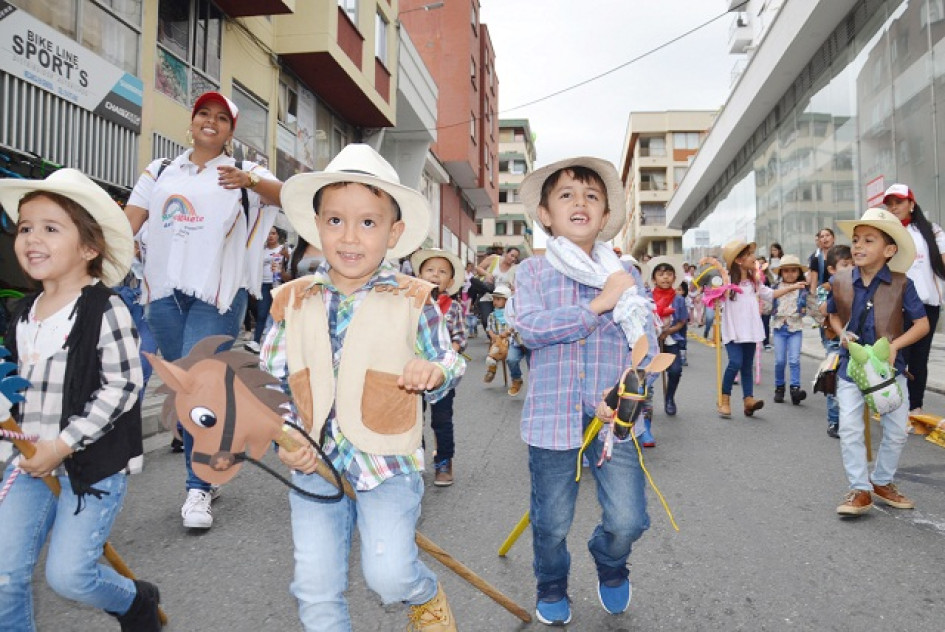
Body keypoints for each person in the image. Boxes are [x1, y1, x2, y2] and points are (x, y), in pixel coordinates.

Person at [261, 144, 464, 631]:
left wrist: (433, 371)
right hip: (313, 467)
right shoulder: (291, 300)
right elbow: (267, 383)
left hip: (387, 463)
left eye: (368, 223)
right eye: (335, 221)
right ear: (316, 227)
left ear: (394, 233)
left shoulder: (415, 299)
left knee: (389, 576)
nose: (350, 237)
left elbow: (447, 357)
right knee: (315, 589)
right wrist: (285, 438)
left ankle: (424, 592)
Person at [0, 170, 161, 631]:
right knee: (4, 573)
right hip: (28, 461)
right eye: (25, 227)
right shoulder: (21, 314)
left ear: (89, 248)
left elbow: (125, 385)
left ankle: (134, 600)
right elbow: (15, 390)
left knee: (69, 576)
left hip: (91, 464)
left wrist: (63, 443)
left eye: (51, 228)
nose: (32, 237)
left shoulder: (103, 308)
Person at [123, 91, 283, 530]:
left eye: (221, 118)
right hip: (163, 294)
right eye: (203, 114)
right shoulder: (159, 170)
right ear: (192, 122)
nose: (210, 122)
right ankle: (215, 450)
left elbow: (288, 197)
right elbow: (129, 222)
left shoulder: (244, 171)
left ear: (231, 131)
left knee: (199, 387)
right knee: (184, 388)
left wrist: (250, 184)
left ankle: (197, 487)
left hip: (218, 295)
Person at [509, 156, 656, 626]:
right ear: (546, 214)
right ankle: (551, 584)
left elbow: (645, 348)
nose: (581, 203)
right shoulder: (533, 274)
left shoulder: (625, 277)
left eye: (592, 196)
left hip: (614, 422)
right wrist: (599, 304)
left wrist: (625, 392)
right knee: (550, 523)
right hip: (551, 421)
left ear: (605, 213)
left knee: (628, 519)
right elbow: (530, 330)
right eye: (567, 195)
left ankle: (610, 561)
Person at [827, 208, 929, 516]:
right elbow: (831, 314)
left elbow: (922, 324)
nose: (858, 246)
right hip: (850, 368)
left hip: (889, 370)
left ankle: (882, 481)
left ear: (888, 250)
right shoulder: (841, 280)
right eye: (856, 239)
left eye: (869, 240)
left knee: (897, 430)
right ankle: (860, 489)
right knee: (850, 428)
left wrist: (896, 346)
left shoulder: (902, 284)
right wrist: (841, 332)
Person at [717, 240, 806, 418]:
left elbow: (770, 294)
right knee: (735, 362)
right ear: (739, 260)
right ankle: (724, 398)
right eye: (749, 255)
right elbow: (715, 299)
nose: (753, 258)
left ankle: (748, 401)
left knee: (747, 366)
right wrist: (717, 293)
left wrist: (792, 287)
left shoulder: (754, 282)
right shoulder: (726, 281)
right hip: (733, 331)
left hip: (749, 330)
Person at [882, 184, 945, 415]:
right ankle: (892, 404)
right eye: (889, 203)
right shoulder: (885, 233)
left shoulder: (933, 231)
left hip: (927, 305)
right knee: (895, 355)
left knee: (919, 359)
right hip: (896, 306)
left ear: (911, 204)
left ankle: (915, 407)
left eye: (898, 202)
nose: (893, 207)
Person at [410, 247, 467, 487]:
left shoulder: (452, 307)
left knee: (442, 421)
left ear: (451, 281)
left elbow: (460, 337)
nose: (435, 274)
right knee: (413, 420)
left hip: (441, 375)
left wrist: (447, 356)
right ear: (419, 274)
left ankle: (444, 461)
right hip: (413, 374)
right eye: (430, 270)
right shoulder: (410, 304)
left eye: (442, 271)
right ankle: (416, 461)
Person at [768, 255, 812, 406]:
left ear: (799, 272)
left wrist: (824, 319)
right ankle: (779, 388)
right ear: (781, 273)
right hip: (779, 328)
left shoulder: (803, 289)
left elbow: (813, 306)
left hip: (796, 328)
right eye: (786, 271)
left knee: (794, 360)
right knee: (780, 361)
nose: (790, 274)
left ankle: (795, 389)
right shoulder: (775, 288)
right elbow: (767, 304)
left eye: (794, 271)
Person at [649, 257, 687, 427]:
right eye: (661, 274)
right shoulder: (647, 297)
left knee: (675, 370)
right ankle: (644, 405)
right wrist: (656, 333)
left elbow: (682, 321)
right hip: (651, 341)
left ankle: (670, 397)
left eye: (669, 274)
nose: (665, 278)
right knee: (646, 375)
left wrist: (668, 331)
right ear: (654, 278)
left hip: (671, 340)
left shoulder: (678, 299)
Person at [820, 244, 853, 438]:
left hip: (854, 339)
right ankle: (834, 421)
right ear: (832, 269)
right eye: (845, 264)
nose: (850, 268)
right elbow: (824, 310)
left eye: (852, 264)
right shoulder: (826, 287)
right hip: (833, 339)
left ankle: (851, 420)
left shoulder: (859, 284)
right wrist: (836, 287)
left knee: (852, 380)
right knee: (834, 380)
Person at [246, 226, 290, 353]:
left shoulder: (282, 249)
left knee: (276, 314)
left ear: (278, 236)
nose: (271, 236)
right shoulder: (261, 250)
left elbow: (290, 265)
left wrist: (286, 256)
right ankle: (256, 341)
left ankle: (273, 343)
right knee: (261, 313)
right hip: (263, 285)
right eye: (268, 233)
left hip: (278, 284)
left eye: (273, 233)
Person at [484, 285, 527, 397]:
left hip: (521, 338)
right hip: (508, 340)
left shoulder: (523, 302)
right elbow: (489, 329)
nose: (495, 302)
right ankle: (513, 378)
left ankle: (537, 386)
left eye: (498, 299)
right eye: (494, 299)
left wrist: (507, 334)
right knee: (505, 358)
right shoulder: (492, 315)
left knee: (534, 364)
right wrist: (496, 337)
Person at [474, 246, 520, 330]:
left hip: (503, 299)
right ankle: (492, 337)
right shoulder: (494, 259)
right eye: (512, 255)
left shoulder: (515, 268)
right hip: (488, 296)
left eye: (516, 258)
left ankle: (498, 340)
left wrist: (513, 288)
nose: (513, 259)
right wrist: (487, 274)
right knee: (485, 320)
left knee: (502, 321)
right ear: (506, 253)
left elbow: (515, 286)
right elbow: (478, 268)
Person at [808, 228, 836, 295]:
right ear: (819, 241)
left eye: (827, 235)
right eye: (822, 236)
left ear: (834, 238)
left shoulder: (841, 256)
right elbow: (813, 283)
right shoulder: (816, 259)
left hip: (839, 291)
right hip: (823, 294)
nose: (825, 238)